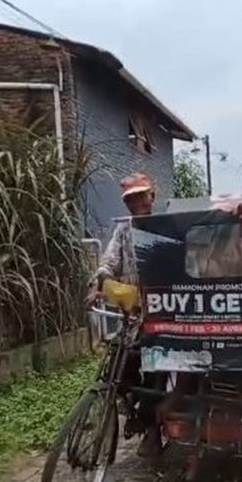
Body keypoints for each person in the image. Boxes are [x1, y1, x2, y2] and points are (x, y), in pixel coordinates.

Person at [87, 173, 163, 458]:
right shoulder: (124, 231)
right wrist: (101, 285)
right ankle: (131, 407)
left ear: (152, 197)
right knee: (120, 361)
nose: (136, 203)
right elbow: (108, 261)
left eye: (140, 196)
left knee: (156, 369)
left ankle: (153, 429)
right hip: (132, 316)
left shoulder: (163, 227)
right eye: (130, 199)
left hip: (163, 315)